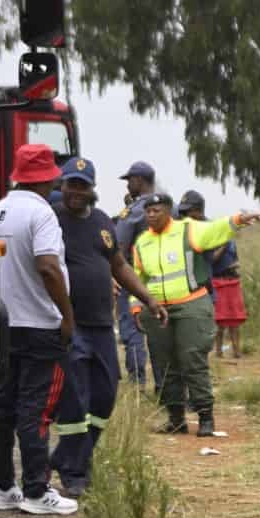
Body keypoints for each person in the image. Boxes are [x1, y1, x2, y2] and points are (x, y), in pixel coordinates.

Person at [49, 157, 167, 496]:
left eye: (82, 185)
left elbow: (119, 264)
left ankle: (65, 456)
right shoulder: (53, 221)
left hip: (102, 326)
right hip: (71, 326)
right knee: (76, 401)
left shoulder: (102, 222)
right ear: (63, 186)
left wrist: (149, 299)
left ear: (91, 190)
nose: (75, 191)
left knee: (104, 399)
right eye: (70, 184)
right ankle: (75, 475)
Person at [0, 144, 82, 516]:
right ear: (48, 178)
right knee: (36, 411)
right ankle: (37, 492)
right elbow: (48, 267)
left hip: (3, 325)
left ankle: (1, 486)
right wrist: (67, 316)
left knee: (3, 409)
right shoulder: (41, 215)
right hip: (40, 326)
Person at [131, 190, 260, 436]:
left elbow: (217, 230)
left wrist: (239, 220)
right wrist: (136, 306)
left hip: (191, 304)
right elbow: (137, 277)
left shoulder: (188, 229)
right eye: (147, 211)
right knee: (165, 364)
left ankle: (205, 418)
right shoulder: (142, 243)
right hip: (157, 310)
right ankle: (176, 418)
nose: (151, 215)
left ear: (168, 211)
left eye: (156, 211)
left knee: (192, 361)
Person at [177, 190, 249, 359]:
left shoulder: (212, 230)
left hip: (225, 281)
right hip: (213, 282)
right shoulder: (190, 232)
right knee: (219, 320)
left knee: (232, 319)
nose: (185, 216)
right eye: (183, 213)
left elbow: (226, 257)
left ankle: (234, 351)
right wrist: (222, 244)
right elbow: (212, 259)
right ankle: (215, 352)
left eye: (189, 212)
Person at [113, 161, 162, 389]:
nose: (127, 186)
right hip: (164, 281)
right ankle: (165, 386)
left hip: (133, 281)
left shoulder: (132, 212)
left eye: (129, 181)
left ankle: (137, 386)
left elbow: (119, 250)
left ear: (139, 181)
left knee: (132, 331)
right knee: (162, 334)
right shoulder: (166, 207)